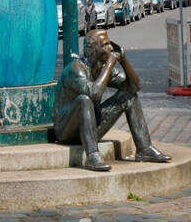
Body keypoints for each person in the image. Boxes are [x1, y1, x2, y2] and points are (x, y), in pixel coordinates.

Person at [53, 28, 171, 171]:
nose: (110, 49)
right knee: (84, 99)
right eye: (105, 45)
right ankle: (92, 156)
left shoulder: (102, 67)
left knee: (128, 95)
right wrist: (109, 64)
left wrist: (124, 61)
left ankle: (144, 148)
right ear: (91, 49)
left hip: (90, 127)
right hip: (67, 132)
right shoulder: (76, 69)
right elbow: (94, 94)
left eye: (110, 44)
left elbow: (134, 87)